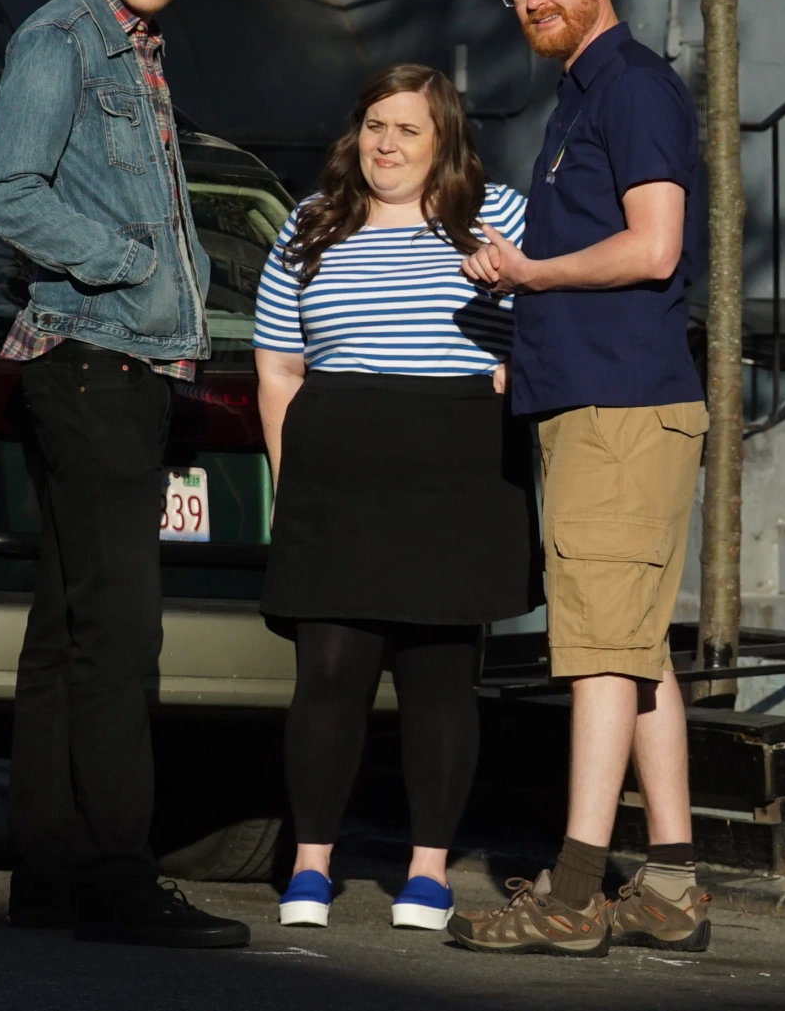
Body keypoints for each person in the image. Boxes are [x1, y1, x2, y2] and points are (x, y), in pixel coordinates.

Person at [0, 0, 250, 947]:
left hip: (112, 362)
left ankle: (50, 875)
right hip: (94, 358)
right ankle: (115, 878)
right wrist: (128, 260)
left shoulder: (136, 49)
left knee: (69, 630)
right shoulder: (63, 40)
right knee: (122, 635)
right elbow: (5, 190)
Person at [450, 0, 710, 958]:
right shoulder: (582, 96)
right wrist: (532, 325)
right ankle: (675, 882)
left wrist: (528, 274)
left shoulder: (634, 86)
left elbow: (654, 249)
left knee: (600, 650)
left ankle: (572, 888)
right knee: (634, 646)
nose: (531, 4)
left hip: (622, 412)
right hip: (596, 401)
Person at [252, 64, 536, 932]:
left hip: (458, 468)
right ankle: (311, 866)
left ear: (444, 138)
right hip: (334, 471)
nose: (387, 143)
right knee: (328, 673)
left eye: (408, 129)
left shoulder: (502, 216)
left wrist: (511, 376)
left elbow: (552, 320)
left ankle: (428, 871)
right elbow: (277, 365)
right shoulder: (310, 223)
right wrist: (287, 476)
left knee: (441, 677)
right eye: (376, 124)